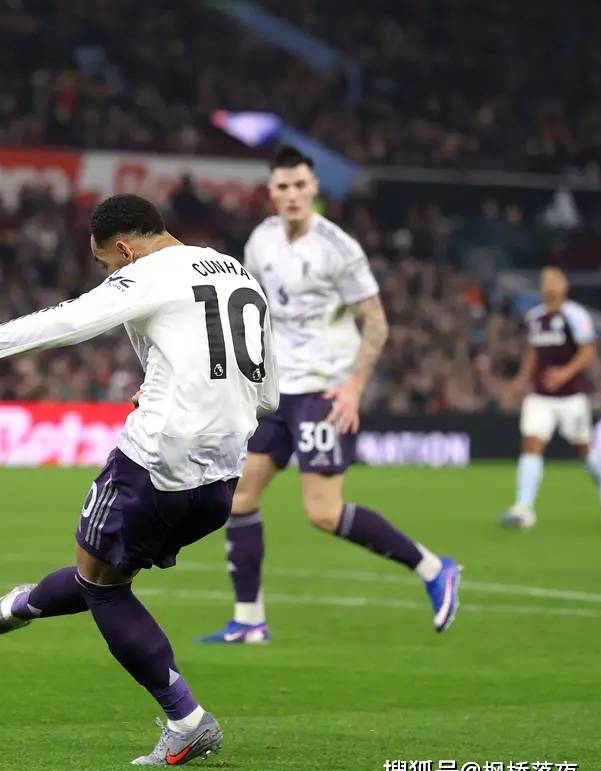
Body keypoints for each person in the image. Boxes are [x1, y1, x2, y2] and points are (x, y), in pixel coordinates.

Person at [0, 194, 278, 766]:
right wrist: (171, 384)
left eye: (106, 265)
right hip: (221, 479)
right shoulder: (237, 272)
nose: (108, 275)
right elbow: (267, 394)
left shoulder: (148, 272)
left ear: (125, 250)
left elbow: (64, 322)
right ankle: (25, 604)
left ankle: (186, 719)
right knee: (102, 571)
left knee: (102, 586)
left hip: (156, 460)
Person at [197, 147, 462, 646]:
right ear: (271, 192)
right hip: (275, 391)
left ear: (314, 188)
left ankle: (434, 568)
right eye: (283, 186)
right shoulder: (260, 241)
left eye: (300, 185)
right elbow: (255, 312)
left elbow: (376, 322)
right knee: (240, 498)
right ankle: (249, 620)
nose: (292, 194)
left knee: (322, 512)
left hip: (322, 391)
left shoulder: (338, 248)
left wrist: (355, 387)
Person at [501, 266, 601, 527]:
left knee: (583, 448)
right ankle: (524, 507)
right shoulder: (535, 317)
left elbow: (588, 350)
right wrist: (522, 378)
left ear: (564, 285)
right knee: (532, 444)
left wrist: (564, 373)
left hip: (571, 396)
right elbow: (533, 352)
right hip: (540, 395)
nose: (549, 283)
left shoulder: (575, 314)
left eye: (554, 279)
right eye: (545, 279)